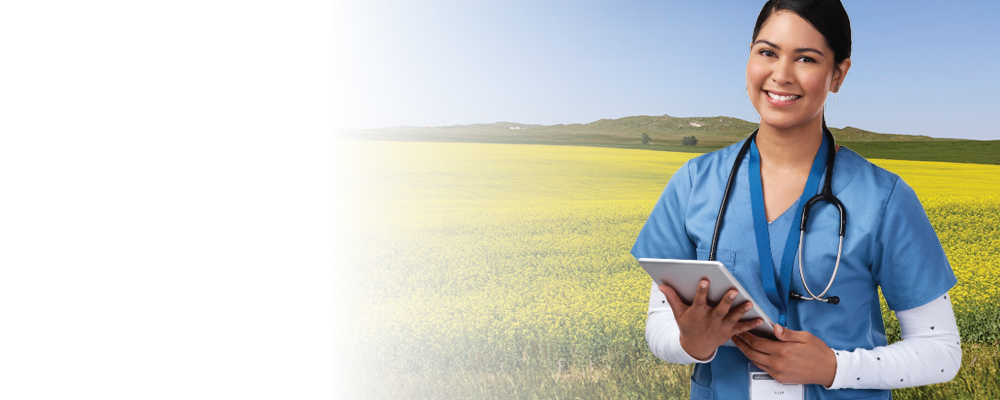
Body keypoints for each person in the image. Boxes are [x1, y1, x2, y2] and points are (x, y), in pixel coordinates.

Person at [629, 1, 962, 399]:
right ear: (750, 56)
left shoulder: (883, 198)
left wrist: (834, 368)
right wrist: (691, 344)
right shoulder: (694, 184)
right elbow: (660, 324)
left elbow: (941, 352)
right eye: (767, 53)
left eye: (806, 58)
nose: (781, 74)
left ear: (838, 74)